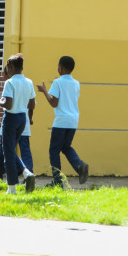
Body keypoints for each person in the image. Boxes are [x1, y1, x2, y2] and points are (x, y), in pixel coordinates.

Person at [0, 54, 36, 194]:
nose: (7, 70)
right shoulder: (29, 82)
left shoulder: (9, 82)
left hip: (11, 118)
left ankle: (12, 189)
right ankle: (27, 173)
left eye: (8, 67)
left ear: (12, 67)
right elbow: (32, 104)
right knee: (9, 150)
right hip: (22, 118)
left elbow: (7, 105)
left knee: (8, 153)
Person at [37, 55, 89, 187]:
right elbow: (68, 96)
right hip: (73, 121)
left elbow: (54, 103)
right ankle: (80, 165)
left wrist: (44, 91)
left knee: (54, 150)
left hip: (61, 121)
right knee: (66, 147)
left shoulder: (58, 82)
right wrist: (57, 83)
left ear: (60, 68)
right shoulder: (76, 83)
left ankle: (58, 181)